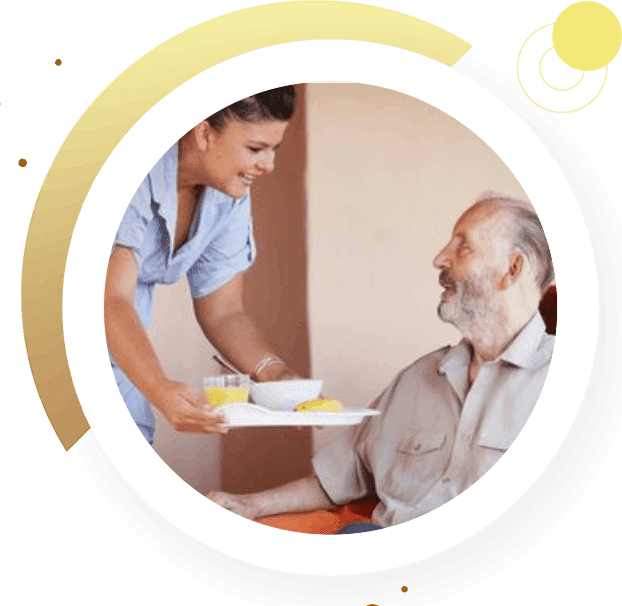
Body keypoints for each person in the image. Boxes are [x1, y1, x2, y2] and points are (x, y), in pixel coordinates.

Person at [207, 196, 555, 532]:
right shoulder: (418, 379)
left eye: (463, 247)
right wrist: (252, 506)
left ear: (513, 268)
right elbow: (340, 476)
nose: (439, 259)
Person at [105, 87, 301, 445]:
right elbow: (110, 299)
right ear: (205, 132)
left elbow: (224, 311)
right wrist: (159, 387)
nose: (268, 165)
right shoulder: (132, 169)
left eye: (275, 149)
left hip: (124, 363)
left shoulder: (227, 195)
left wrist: (274, 373)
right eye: (256, 149)